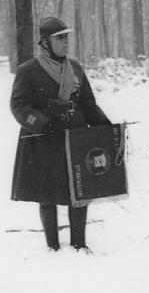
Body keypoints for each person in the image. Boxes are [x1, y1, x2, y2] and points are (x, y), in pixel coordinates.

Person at [10, 17, 112, 252]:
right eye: (60, 38)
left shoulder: (75, 68)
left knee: (79, 190)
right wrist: (44, 123)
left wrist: (104, 124)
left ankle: (79, 244)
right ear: (46, 42)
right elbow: (19, 106)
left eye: (67, 37)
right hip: (44, 139)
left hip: (74, 138)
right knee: (47, 193)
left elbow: (87, 102)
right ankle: (52, 246)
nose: (66, 42)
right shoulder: (28, 71)